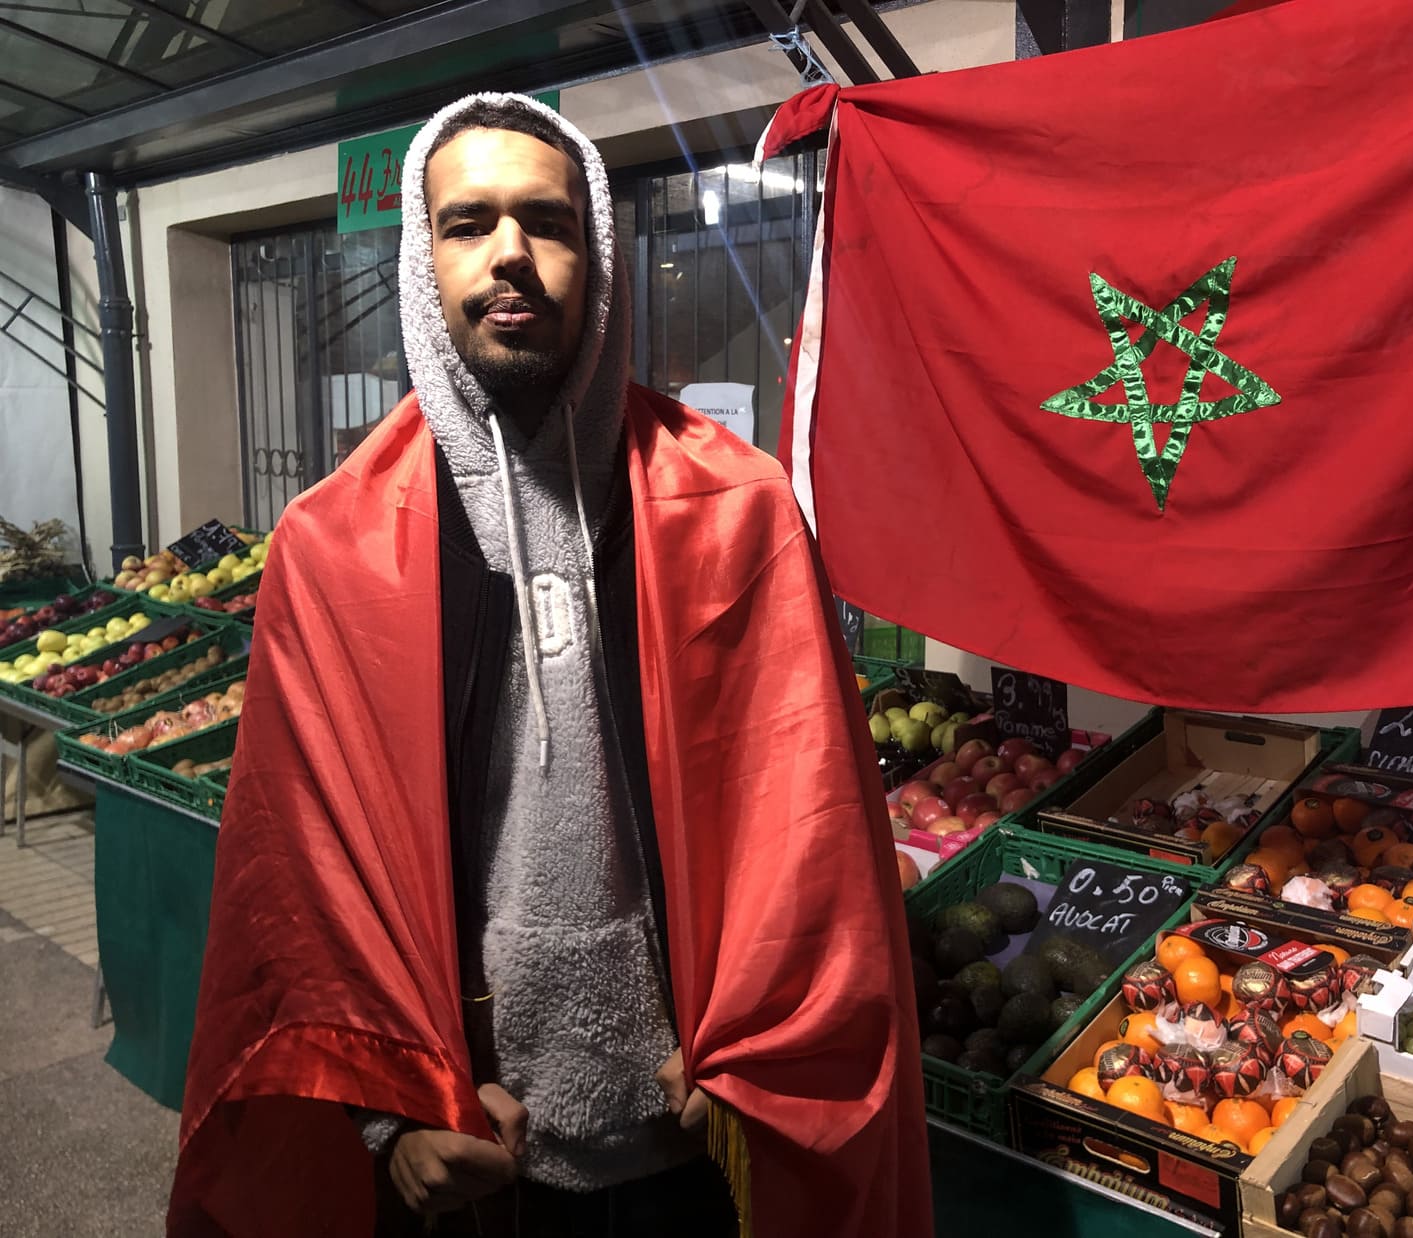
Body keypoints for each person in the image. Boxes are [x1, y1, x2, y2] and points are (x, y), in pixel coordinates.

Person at [167, 93, 932, 1238]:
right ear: (423, 260)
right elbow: (302, 885)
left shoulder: (734, 507)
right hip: (469, 1154)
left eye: (547, 221)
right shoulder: (335, 546)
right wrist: (391, 1123)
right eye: (468, 222)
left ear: (601, 253)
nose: (510, 253)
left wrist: (756, 1055)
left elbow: (813, 838)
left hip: (693, 1148)